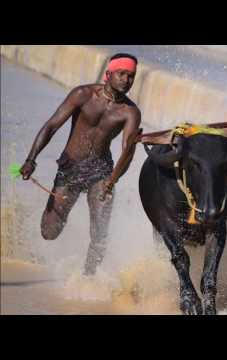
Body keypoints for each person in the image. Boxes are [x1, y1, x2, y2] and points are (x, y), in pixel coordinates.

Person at [20, 52, 142, 276]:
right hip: (70, 168)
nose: (126, 80)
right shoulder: (83, 94)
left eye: (131, 76)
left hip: (101, 173)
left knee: (99, 236)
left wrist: (111, 182)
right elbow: (51, 126)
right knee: (49, 231)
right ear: (108, 74)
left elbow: (128, 151)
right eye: (121, 74)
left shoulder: (130, 112)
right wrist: (31, 159)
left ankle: (88, 279)